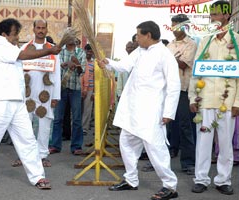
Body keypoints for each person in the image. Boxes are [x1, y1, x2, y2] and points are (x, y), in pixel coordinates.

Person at [0, 18, 61, 189]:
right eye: (14, 34)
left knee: (28, 140)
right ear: (4, 35)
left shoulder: (11, 47)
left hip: (17, 102)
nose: (17, 37)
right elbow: (24, 56)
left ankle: (38, 177)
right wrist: (51, 50)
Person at [98, 21, 180, 200]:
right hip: (133, 109)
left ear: (148, 35)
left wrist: (168, 113)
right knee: (126, 142)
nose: (136, 38)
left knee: (156, 149)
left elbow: (174, 86)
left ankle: (170, 186)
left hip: (152, 111)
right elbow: (124, 65)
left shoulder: (165, 55)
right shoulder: (140, 51)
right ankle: (131, 179)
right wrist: (108, 63)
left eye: (139, 35)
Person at [189, 1, 238, 195]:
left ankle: (223, 180)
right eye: (211, 15)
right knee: (203, 142)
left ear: (227, 16)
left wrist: (237, 102)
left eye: (216, 14)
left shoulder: (237, 41)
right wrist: (193, 98)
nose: (213, 18)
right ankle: (201, 179)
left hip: (228, 101)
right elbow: (196, 71)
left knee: (225, 144)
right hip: (205, 100)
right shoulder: (204, 41)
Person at [11, 19, 61, 168]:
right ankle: (23, 155)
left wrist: (56, 96)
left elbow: (57, 73)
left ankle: (43, 155)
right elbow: (18, 72)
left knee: (45, 125)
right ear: (33, 29)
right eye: (38, 27)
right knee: (25, 126)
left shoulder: (53, 49)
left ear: (47, 30)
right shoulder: (25, 48)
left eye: (43, 28)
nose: (40, 30)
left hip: (47, 93)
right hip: (27, 94)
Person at [166, 14, 197, 174]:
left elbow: (183, 64)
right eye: (172, 25)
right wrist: (173, 59)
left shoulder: (191, 44)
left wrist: (171, 60)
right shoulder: (169, 45)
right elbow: (165, 64)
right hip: (168, 90)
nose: (173, 29)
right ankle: (161, 161)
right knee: (165, 125)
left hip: (183, 90)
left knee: (185, 126)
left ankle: (188, 163)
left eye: (176, 26)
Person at [49, 37, 86, 155]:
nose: (71, 39)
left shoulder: (80, 52)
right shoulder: (59, 51)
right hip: (61, 89)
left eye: (73, 36)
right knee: (58, 118)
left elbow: (82, 72)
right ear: (65, 37)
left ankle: (76, 146)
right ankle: (55, 145)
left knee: (76, 119)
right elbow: (54, 68)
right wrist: (65, 64)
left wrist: (78, 64)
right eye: (69, 36)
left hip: (75, 89)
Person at [81, 44, 94, 135]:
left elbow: (96, 78)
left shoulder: (95, 63)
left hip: (90, 89)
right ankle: (76, 128)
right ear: (84, 50)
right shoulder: (82, 61)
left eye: (90, 51)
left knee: (87, 109)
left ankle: (84, 128)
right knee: (78, 109)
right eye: (87, 51)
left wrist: (94, 92)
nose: (89, 53)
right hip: (80, 88)